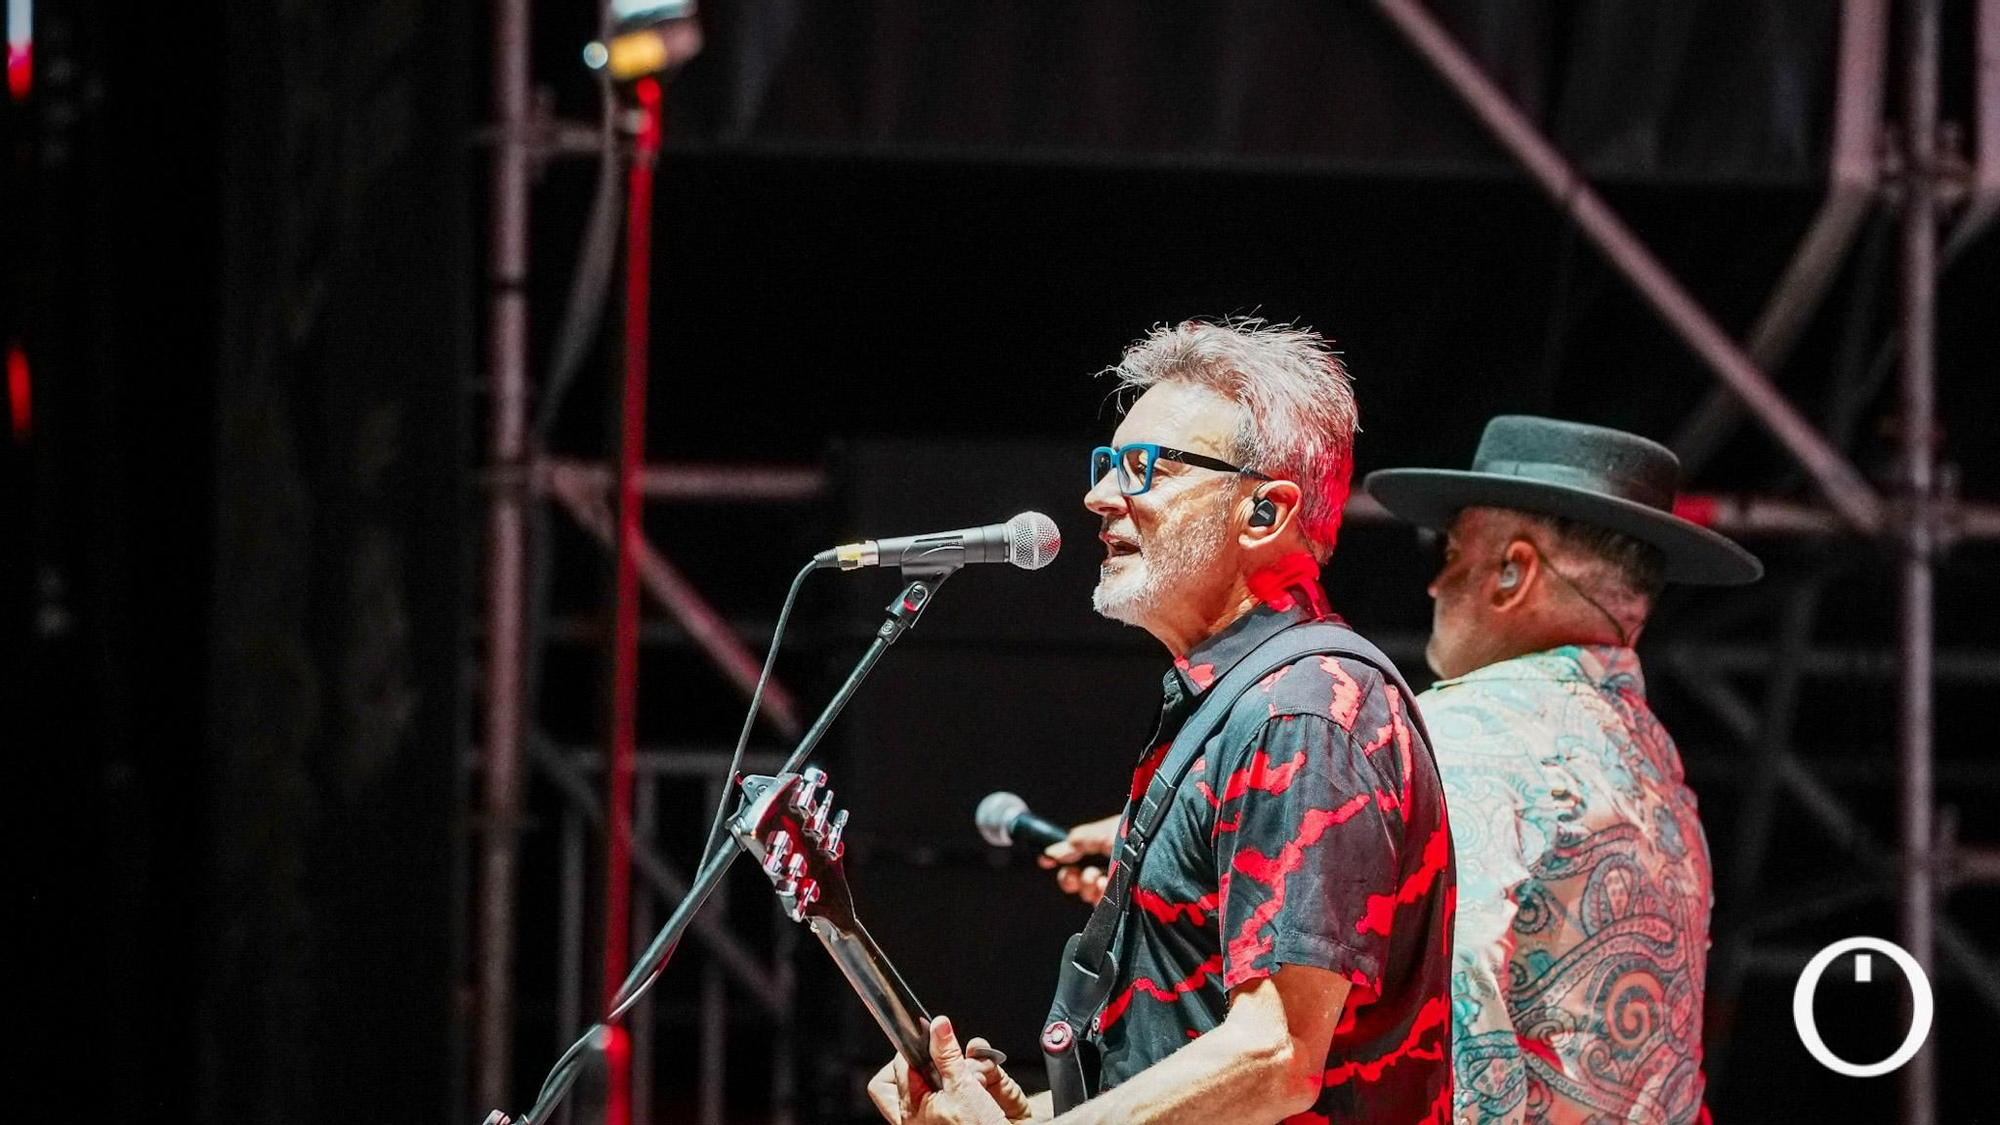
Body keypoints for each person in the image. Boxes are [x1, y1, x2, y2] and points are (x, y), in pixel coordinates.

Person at [868, 319, 1456, 1125]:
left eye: (1145, 467)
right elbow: (1193, 1046)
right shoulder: (1243, 699)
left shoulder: (1304, 711)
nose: (1099, 495)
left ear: (1263, 512)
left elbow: (1277, 1056)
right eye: (1108, 463)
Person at [1362, 415, 1761, 1124]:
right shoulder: (1660, 772)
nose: (1435, 586)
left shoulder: (1465, 731)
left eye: (1451, 553)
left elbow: (1454, 983)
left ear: (1512, 572)